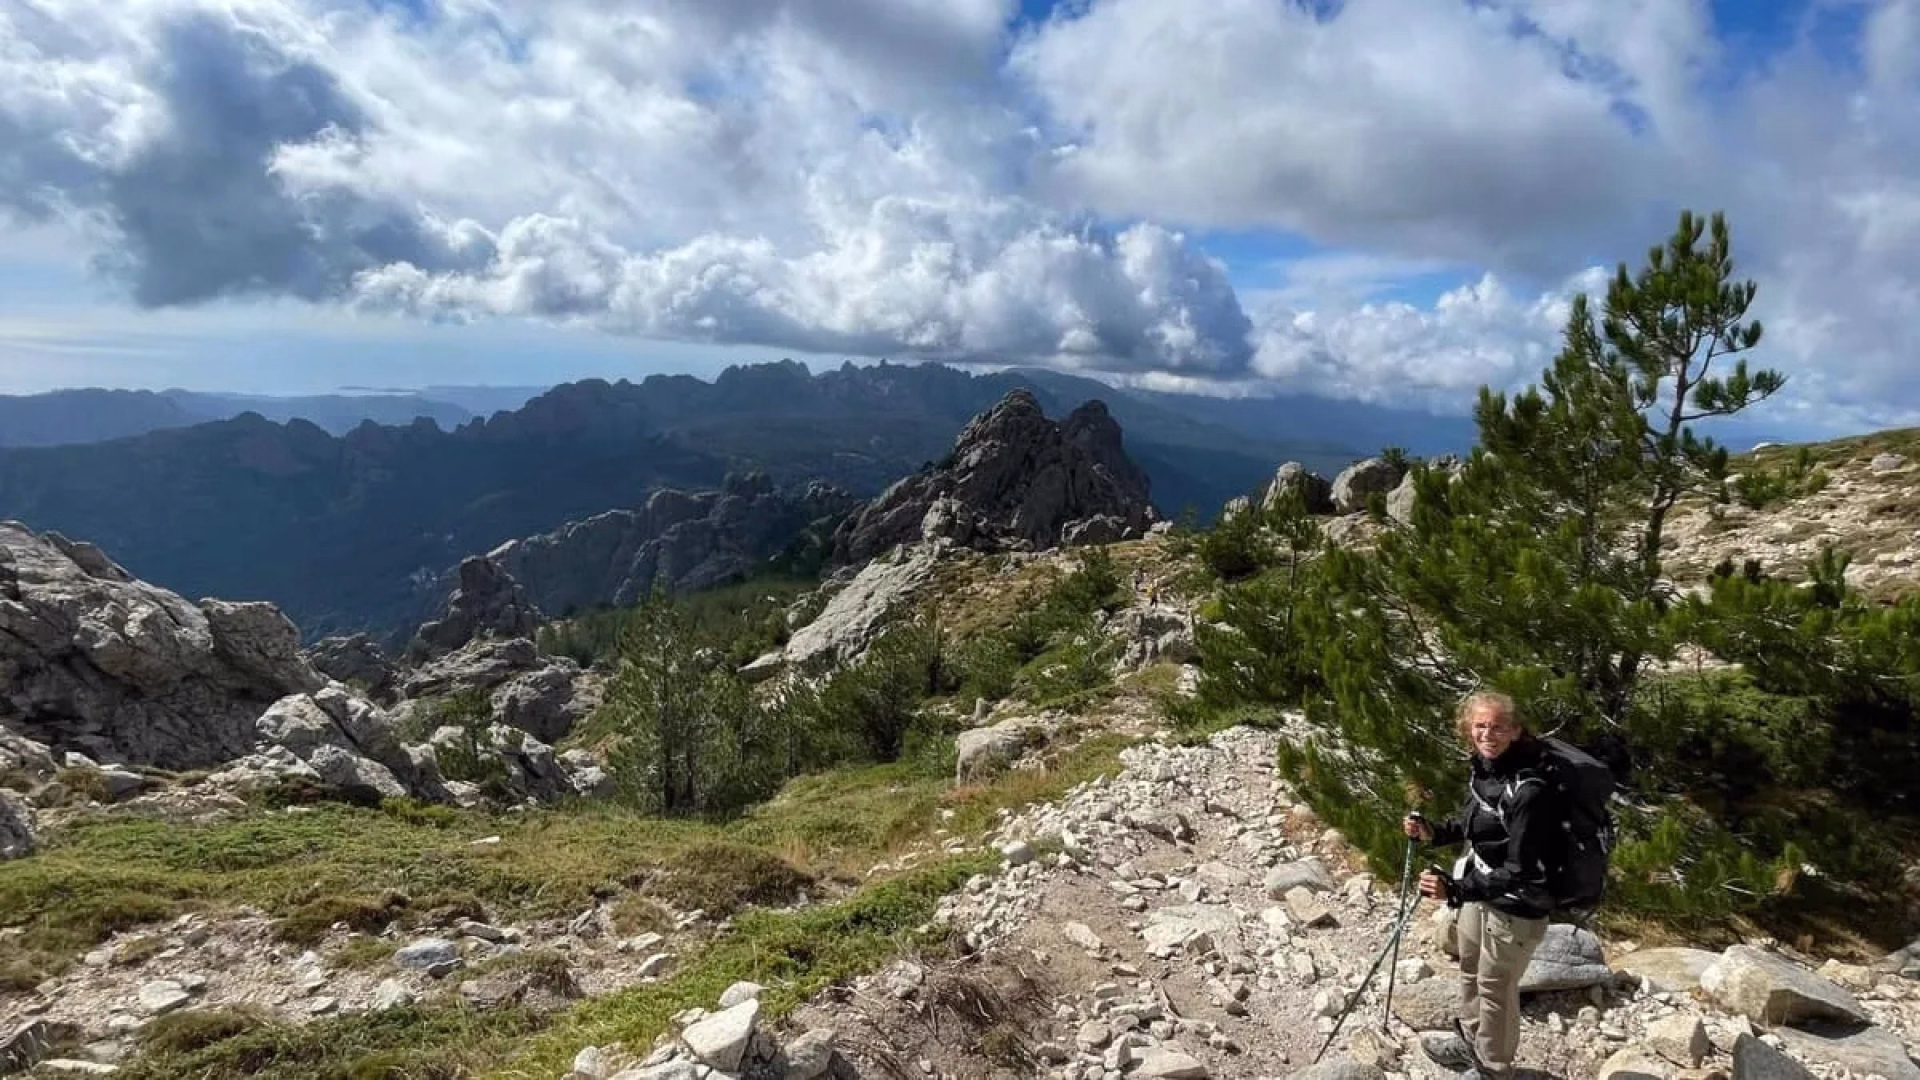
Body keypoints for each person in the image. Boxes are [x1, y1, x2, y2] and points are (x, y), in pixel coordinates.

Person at [1402, 690, 1556, 1079]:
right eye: (1480, 726)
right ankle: (1472, 1042)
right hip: (1482, 885)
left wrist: (1455, 890)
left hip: (1517, 904)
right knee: (1470, 968)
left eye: (1497, 727)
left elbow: (1521, 869)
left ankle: (1494, 1068)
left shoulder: (1529, 789)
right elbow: (1476, 821)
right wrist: (1433, 833)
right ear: (1468, 729)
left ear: (1516, 731)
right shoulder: (1487, 769)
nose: (1487, 734)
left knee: (1496, 987)